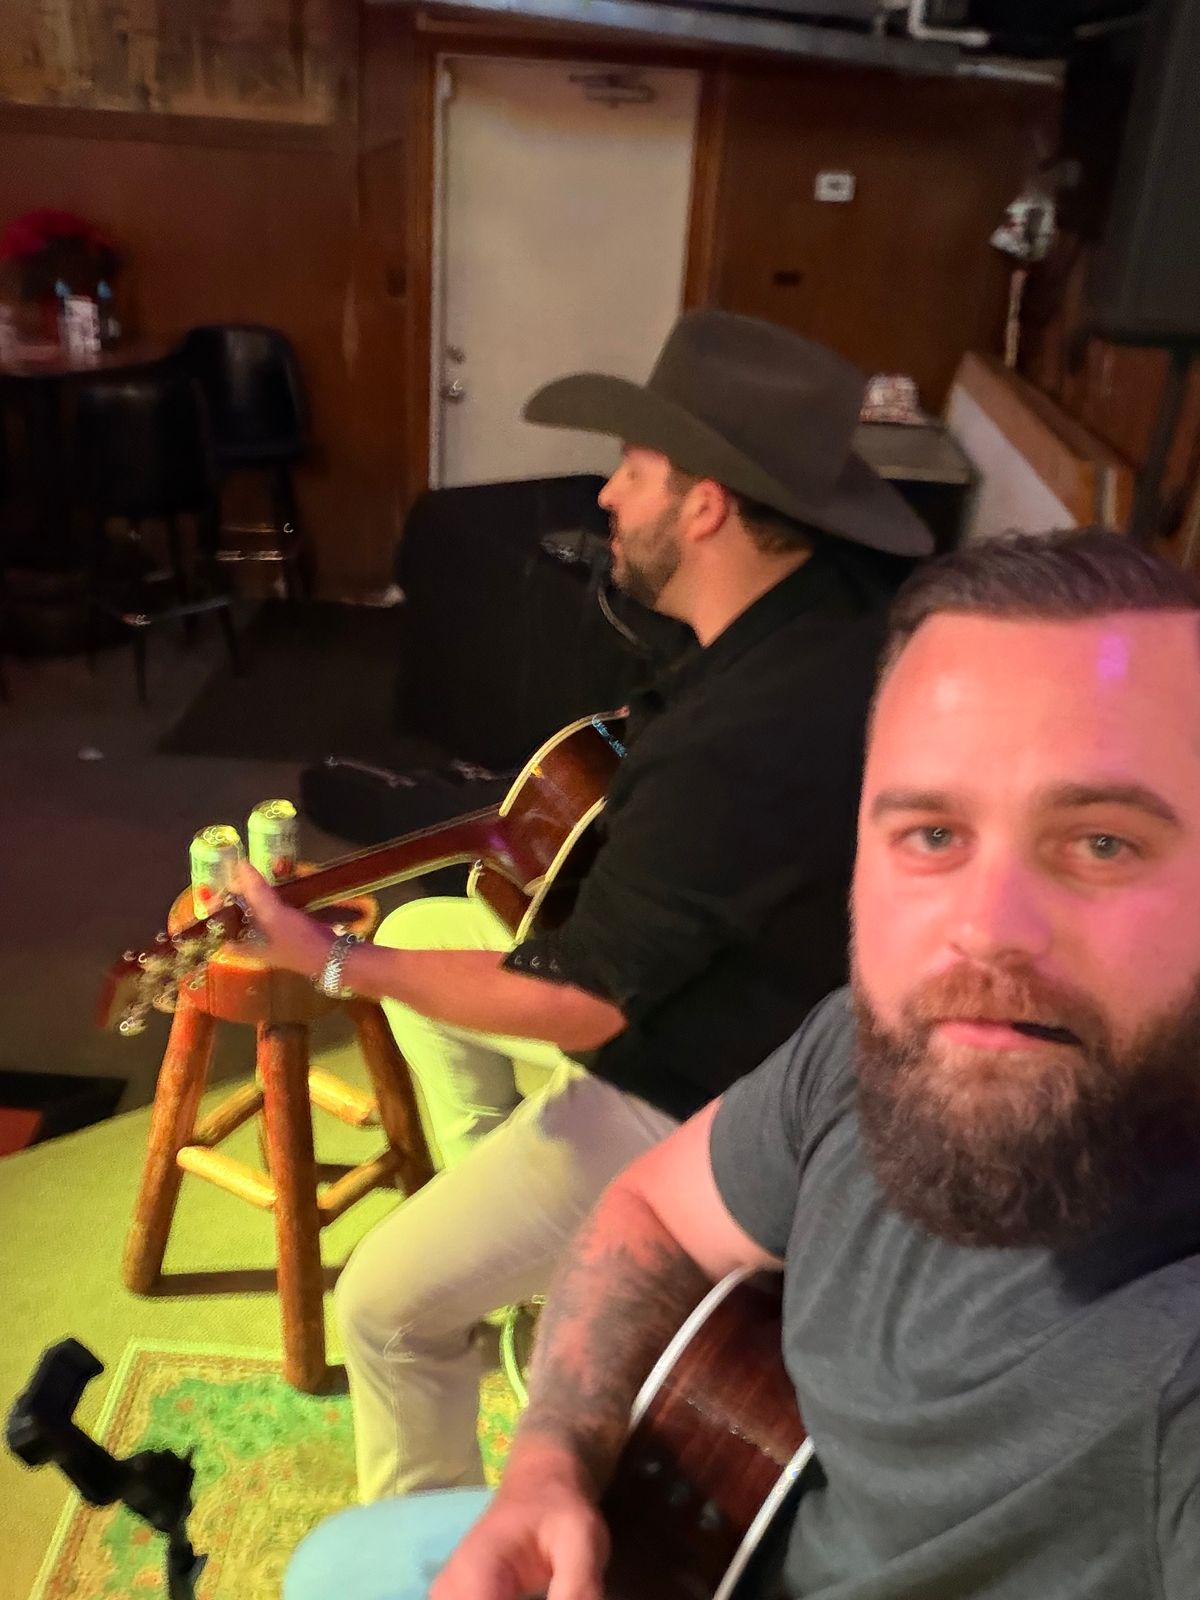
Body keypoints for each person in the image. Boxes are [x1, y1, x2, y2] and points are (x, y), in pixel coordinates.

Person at [284, 527, 1200, 1600]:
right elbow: (654, 1213)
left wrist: (336, 963)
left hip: (650, 1080)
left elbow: (585, 1003)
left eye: (1101, 842)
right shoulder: (854, 1045)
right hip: (717, 1535)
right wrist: (549, 1463)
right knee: (333, 1564)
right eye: (932, 835)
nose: (985, 932)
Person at [234, 307, 931, 1503]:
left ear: (706, 505)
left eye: (635, 468)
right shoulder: (832, 613)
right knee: (426, 926)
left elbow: (586, 1004)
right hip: (751, 1007)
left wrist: (332, 961)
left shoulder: (747, 736)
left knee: (385, 1303)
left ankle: (433, 1560)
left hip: (704, 1095)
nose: (607, 494)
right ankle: (537, 1268)